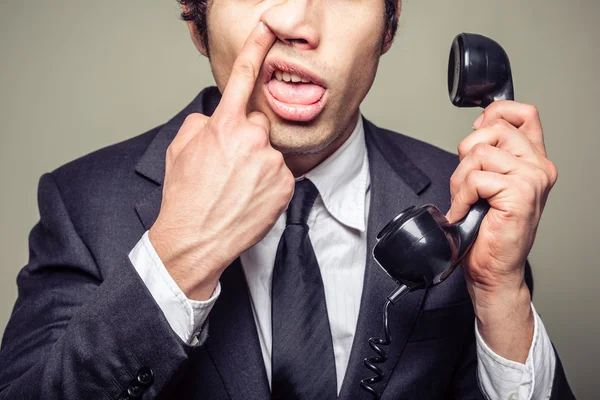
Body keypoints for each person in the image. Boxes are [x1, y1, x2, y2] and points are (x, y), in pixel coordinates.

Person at [0, 0, 574, 399]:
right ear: (198, 24)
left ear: (389, 26)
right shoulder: (82, 201)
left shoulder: (463, 197)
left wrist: (502, 293)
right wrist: (178, 257)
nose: (300, 22)